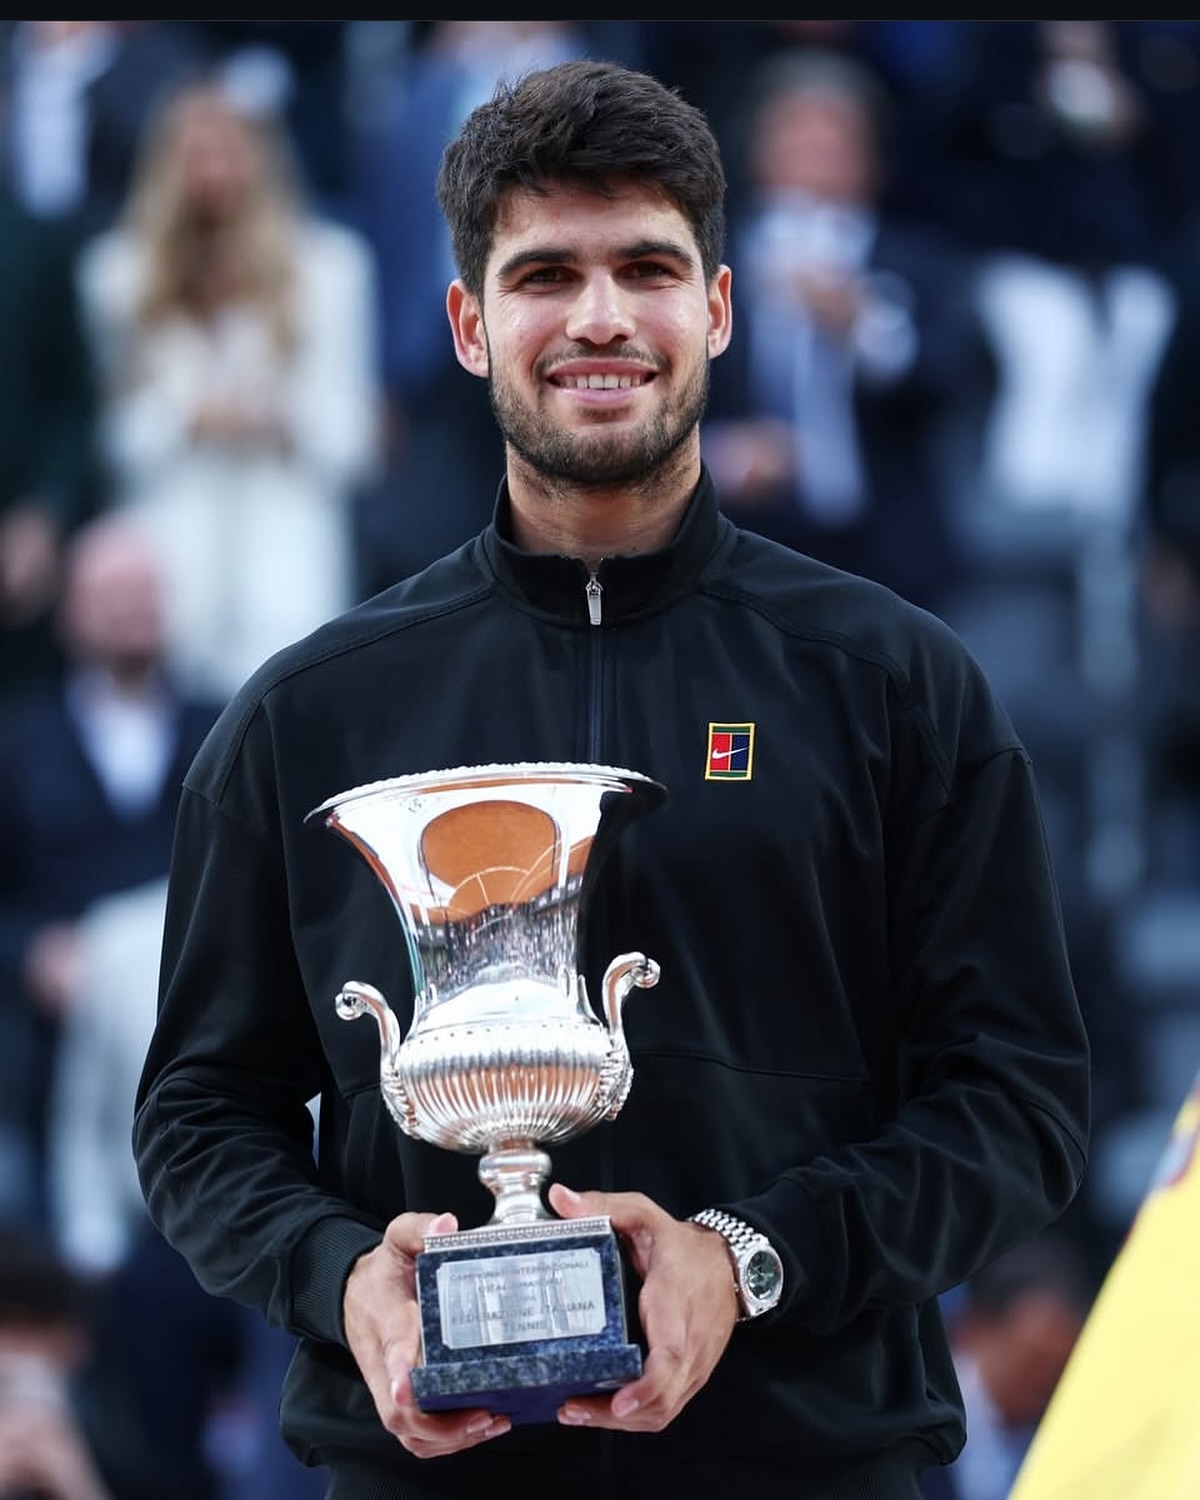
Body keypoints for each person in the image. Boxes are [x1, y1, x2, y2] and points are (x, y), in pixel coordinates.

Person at [133, 59, 1091, 1500]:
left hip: (814, 1462)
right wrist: (344, 1282)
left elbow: (1020, 1101)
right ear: (468, 324)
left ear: (714, 307)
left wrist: (751, 1259)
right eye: (544, 275)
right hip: (428, 1474)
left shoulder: (897, 684)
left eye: (646, 267)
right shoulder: (309, 715)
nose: (597, 318)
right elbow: (201, 1116)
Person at [75, 73, 383, 702]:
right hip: (166, 561)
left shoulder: (330, 271)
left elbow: (356, 443)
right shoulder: (117, 275)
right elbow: (107, 438)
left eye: (229, 151)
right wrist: (185, 417)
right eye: (195, 155)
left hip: (289, 559)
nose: (212, 175)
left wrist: (278, 416)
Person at [919, 1231, 1093, 1500]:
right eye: (1032, 1361)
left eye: (1056, 1370)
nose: (1041, 1382)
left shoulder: (1057, 1441)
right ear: (975, 1330)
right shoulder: (914, 1414)